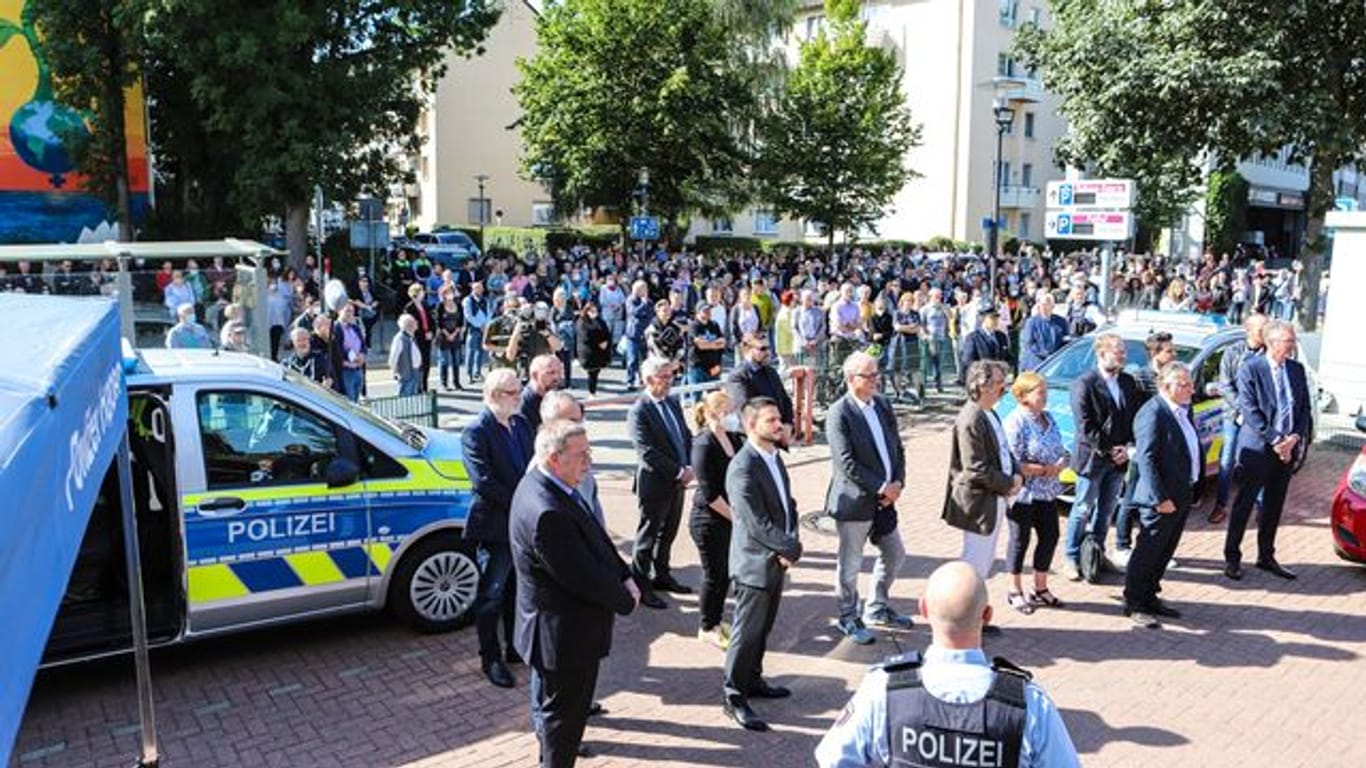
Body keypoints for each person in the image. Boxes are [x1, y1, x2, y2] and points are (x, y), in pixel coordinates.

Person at [814, 561, 1079, 768]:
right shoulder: (1029, 704)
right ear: (987, 615)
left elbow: (832, 758)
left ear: (923, 609)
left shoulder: (884, 690)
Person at [510, 420, 638, 768]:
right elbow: (581, 576)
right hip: (563, 639)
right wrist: (625, 599)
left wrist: (624, 573)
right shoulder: (546, 511)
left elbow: (594, 535)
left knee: (560, 718)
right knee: (563, 723)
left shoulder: (549, 484)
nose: (589, 461)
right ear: (555, 459)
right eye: (582, 455)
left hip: (563, 635)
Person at [723, 396, 803, 733]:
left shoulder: (774, 457)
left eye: (778, 419)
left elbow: (788, 505)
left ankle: (753, 680)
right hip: (755, 564)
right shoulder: (743, 467)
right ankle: (734, 695)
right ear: (750, 425)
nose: (778, 425)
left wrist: (790, 540)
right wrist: (790, 547)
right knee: (746, 632)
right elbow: (755, 523)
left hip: (776, 560)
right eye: (770, 420)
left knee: (763, 628)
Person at [825, 352, 912, 646]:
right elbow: (846, 462)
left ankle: (877, 606)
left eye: (876, 374)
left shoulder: (883, 405)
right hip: (855, 501)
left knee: (895, 554)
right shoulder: (840, 412)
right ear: (851, 379)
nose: (876, 380)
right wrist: (881, 487)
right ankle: (848, 616)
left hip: (886, 497)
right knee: (850, 564)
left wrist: (898, 482)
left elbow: (897, 447)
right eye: (869, 375)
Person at [463, 368, 536, 689]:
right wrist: (522, 501)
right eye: (513, 393)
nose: (519, 398)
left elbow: (533, 464)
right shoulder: (476, 432)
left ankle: (514, 648)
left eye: (519, 391)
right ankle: (490, 657)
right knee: (491, 594)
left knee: (515, 590)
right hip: (494, 526)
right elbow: (484, 482)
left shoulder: (520, 424)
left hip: (519, 524)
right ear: (494, 396)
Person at [1223, 320, 1312, 582]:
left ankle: (1266, 555)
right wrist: (1276, 439)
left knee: (1274, 504)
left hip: (1286, 450)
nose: (1293, 345)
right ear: (1272, 343)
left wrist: (1294, 437)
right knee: (1244, 504)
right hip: (1258, 448)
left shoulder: (1296, 369)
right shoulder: (1251, 368)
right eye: (1288, 341)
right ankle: (1232, 557)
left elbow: (1303, 408)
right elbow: (1249, 410)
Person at [942, 360, 1021, 633]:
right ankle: (966, 621)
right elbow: (974, 468)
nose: (1004, 389)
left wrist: (1016, 472)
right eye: (1000, 384)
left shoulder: (990, 413)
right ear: (981, 386)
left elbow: (1002, 451)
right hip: (979, 503)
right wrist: (1009, 482)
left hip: (994, 497)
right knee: (974, 564)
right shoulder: (971, 418)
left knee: (983, 562)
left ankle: (974, 618)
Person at [1123, 362, 1200, 628]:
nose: (1191, 389)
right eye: (1184, 384)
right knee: (1148, 550)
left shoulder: (1182, 411)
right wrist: (1160, 498)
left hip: (1181, 493)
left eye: (1190, 383)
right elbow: (1146, 458)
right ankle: (1135, 602)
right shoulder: (1153, 412)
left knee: (1165, 550)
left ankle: (1150, 595)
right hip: (1160, 499)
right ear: (1166, 387)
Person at [1062, 333, 1139, 582]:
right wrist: (1110, 449)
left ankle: (1096, 554)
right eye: (1117, 351)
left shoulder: (1127, 382)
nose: (1122, 356)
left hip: (1118, 459)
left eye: (1123, 351)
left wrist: (1126, 447)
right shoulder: (1084, 383)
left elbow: (1132, 418)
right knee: (1082, 508)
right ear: (1101, 354)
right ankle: (1072, 557)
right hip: (1093, 459)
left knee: (1106, 510)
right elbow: (1085, 426)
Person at [627, 356, 695, 609]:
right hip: (655, 484)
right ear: (648, 380)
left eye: (671, 376)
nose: (670, 381)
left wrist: (689, 465)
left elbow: (684, 435)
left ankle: (662, 576)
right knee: (648, 536)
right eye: (664, 377)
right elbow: (647, 452)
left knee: (668, 533)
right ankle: (641, 585)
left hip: (677, 481)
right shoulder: (639, 410)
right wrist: (679, 471)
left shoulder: (672, 403)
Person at [1001, 371, 1069, 616]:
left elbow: (1060, 446)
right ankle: (1014, 590)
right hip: (1024, 493)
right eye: (1040, 392)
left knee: (1050, 536)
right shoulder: (1015, 422)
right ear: (1023, 396)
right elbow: (1012, 462)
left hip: (1048, 492)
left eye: (1045, 392)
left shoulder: (1048, 418)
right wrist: (1043, 470)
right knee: (1020, 541)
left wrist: (1062, 462)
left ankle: (1040, 588)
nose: (1045, 397)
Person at [1112, 331, 1177, 564]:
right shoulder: (1140, 378)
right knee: (1131, 495)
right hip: (1144, 446)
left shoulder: (1174, 374)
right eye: (1169, 351)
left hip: (1166, 447)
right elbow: (1133, 414)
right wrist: (1132, 444)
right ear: (1155, 353)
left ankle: (1154, 546)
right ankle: (1122, 544)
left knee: (1160, 494)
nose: (1173, 354)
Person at [689, 390, 741, 650]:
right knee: (714, 574)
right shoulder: (703, 444)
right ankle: (706, 626)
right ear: (712, 413)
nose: (733, 416)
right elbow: (710, 494)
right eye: (727, 411)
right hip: (709, 520)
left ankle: (717, 621)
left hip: (729, 518)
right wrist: (738, 518)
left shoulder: (732, 437)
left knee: (725, 575)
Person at [1211, 313, 1268, 524]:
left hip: (1258, 418)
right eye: (1261, 329)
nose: (1265, 333)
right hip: (1233, 415)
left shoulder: (1268, 354)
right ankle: (1221, 505)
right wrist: (1243, 410)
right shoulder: (1232, 352)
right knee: (1227, 460)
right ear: (1248, 329)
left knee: (1259, 460)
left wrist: (1255, 414)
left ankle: (1261, 506)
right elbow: (1226, 385)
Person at [724, 333, 795, 438]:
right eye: (763, 349)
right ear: (748, 350)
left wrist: (787, 424)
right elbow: (745, 410)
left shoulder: (771, 371)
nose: (768, 352)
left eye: (769, 348)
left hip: (775, 433)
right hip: (754, 436)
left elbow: (784, 399)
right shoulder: (738, 376)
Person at [958, 303, 1010, 384]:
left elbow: (1006, 357)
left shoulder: (1001, 336)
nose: (995, 321)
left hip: (998, 380)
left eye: (996, 318)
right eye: (992, 318)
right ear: (983, 319)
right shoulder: (973, 337)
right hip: (981, 380)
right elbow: (968, 360)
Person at [1019, 290, 1068, 372]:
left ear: (1053, 306)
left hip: (1056, 363)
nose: (1044, 307)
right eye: (1042, 304)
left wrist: (1057, 356)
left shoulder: (1061, 321)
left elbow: (1065, 340)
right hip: (1036, 364)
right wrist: (1046, 355)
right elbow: (1029, 343)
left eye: (1047, 304)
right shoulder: (1031, 322)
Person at [401, 282, 435, 393]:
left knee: (426, 362)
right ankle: (418, 386)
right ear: (416, 293)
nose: (423, 293)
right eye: (421, 291)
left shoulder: (425, 304)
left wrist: (431, 332)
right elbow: (409, 325)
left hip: (427, 337)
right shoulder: (409, 307)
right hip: (417, 337)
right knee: (417, 363)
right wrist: (421, 333)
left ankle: (424, 385)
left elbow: (431, 320)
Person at [575, 301, 612, 395]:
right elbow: (585, 336)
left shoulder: (599, 320)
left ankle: (593, 390)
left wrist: (605, 341)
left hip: (600, 351)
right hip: (589, 351)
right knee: (592, 373)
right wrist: (599, 343)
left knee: (596, 372)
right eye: (591, 311)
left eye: (595, 310)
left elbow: (606, 331)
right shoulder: (582, 321)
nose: (594, 313)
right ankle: (592, 391)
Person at [521, 354, 565, 433]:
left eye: (559, 372)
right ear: (534, 375)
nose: (557, 377)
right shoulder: (524, 405)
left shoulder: (552, 397)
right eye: (551, 373)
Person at [335, 303, 367, 402]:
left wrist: (362, 354)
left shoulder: (355, 327)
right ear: (339, 312)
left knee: (356, 401)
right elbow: (337, 349)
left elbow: (363, 344)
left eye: (352, 312)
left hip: (358, 369)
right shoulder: (336, 328)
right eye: (347, 311)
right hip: (346, 370)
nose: (350, 314)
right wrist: (353, 357)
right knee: (350, 402)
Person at [435, 286, 465, 392]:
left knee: (456, 360)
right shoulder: (440, 306)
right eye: (447, 293)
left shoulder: (458, 305)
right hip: (444, 336)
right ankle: (444, 383)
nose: (450, 294)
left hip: (455, 335)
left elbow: (461, 322)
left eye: (452, 292)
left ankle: (456, 382)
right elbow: (438, 323)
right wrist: (447, 335)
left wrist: (456, 333)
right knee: (444, 361)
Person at [463, 280, 491, 383]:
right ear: (472, 289)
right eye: (476, 288)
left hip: (483, 329)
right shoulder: (467, 300)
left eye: (480, 288)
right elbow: (468, 316)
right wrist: (479, 325)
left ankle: (477, 372)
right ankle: (469, 373)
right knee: (470, 351)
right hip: (473, 329)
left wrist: (486, 325)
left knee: (480, 351)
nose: (479, 290)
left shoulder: (485, 300)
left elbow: (488, 313)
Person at [388, 314, 423, 396]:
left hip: (414, 371)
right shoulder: (400, 338)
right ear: (409, 325)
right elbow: (393, 357)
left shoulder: (410, 337)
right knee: (405, 398)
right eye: (414, 322)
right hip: (406, 373)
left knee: (412, 397)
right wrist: (395, 371)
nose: (416, 323)